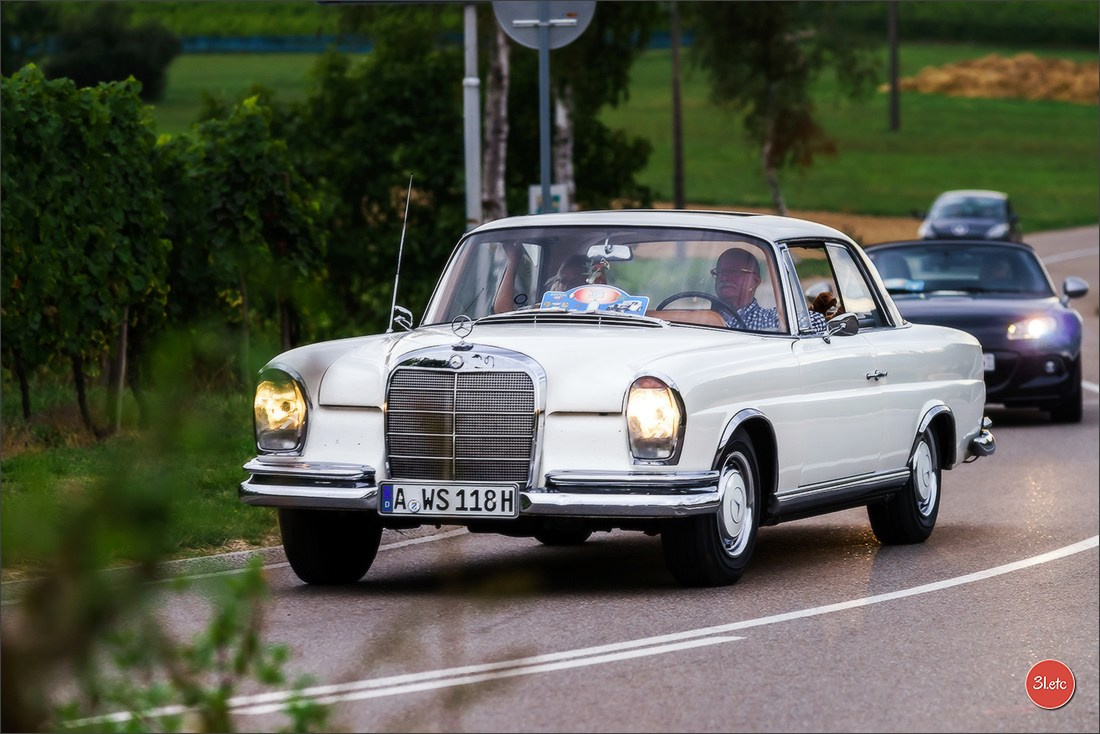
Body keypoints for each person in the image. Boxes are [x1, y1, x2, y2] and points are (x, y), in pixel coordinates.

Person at [712, 248, 826, 333]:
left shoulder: (769, 319)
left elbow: (816, 320)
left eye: (734, 272)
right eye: (720, 272)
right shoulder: (700, 316)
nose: (724, 277)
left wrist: (783, 326)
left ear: (755, 281)